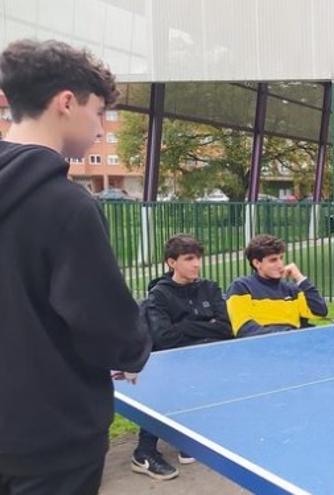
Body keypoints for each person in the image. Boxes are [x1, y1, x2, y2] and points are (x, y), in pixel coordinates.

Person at [0, 39, 151, 494]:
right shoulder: (67, 206)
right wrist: (131, 351)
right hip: (52, 438)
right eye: (99, 111)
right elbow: (106, 326)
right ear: (66, 102)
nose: (102, 127)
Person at [132, 235, 233, 480]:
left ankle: (188, 440)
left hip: (206, 357)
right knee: (168, 381)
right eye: (189, 259)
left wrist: (185, 325)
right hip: (169, 361)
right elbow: (165, 337)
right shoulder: (159, 295)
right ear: (172, 262)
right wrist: (203, 324)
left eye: (198, 258)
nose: (196, 264)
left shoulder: (210, 287)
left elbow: (226, 328)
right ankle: (144, 452)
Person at [227, 234, 328, 337]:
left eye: (281, 258)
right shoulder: (241, 287)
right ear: (257, 263)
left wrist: (300, 278)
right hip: (260, 347)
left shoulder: (292, 290)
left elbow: (320, 311)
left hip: (294, 344)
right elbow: (243, 328)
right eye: (273, 260)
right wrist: (285, 335)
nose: (280, 264)